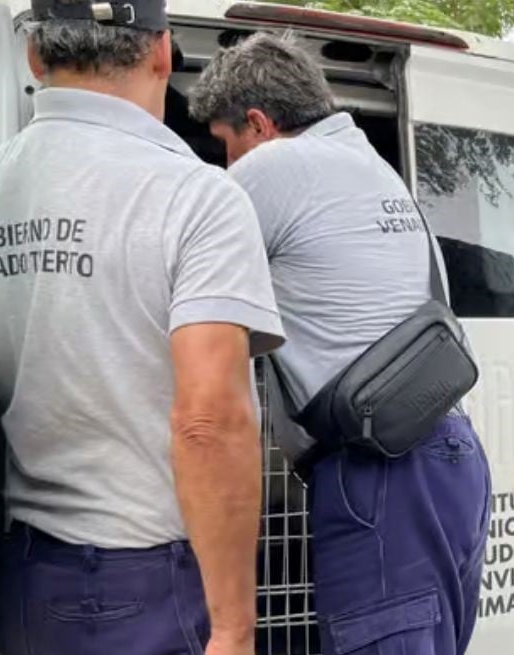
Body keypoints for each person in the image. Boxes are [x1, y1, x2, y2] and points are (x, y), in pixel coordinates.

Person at [0, 2, 285, 654]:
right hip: (148, 583)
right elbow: (208, 421)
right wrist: (233, 628)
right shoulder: (197, 196)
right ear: (162, 50)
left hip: (26, 577)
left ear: (35, 55)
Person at [187, 33, 493, 655]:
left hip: (380, 473)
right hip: (451, 456)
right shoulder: (368, 166)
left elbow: (177, 279)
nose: (228, 163)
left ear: (259, 124)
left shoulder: (271, 167)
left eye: (225, 144)